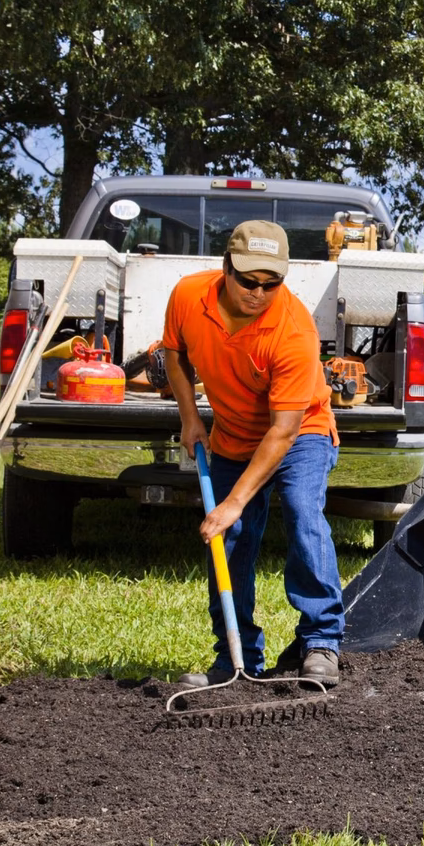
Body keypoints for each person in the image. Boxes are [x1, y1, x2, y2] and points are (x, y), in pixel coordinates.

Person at [162, 220, 343, 687]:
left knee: (302, 512)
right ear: (226, 267)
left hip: (301, 432)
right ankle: (235, 657)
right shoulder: (189, 295)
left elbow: (283, 431)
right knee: (230, 539)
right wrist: (190, 417)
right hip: (234, 433)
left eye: (271, 283)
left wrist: (235, 501)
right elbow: (174, 355)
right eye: (248, 281)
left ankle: (321, 640)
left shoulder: (293, 330)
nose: (258, 293)